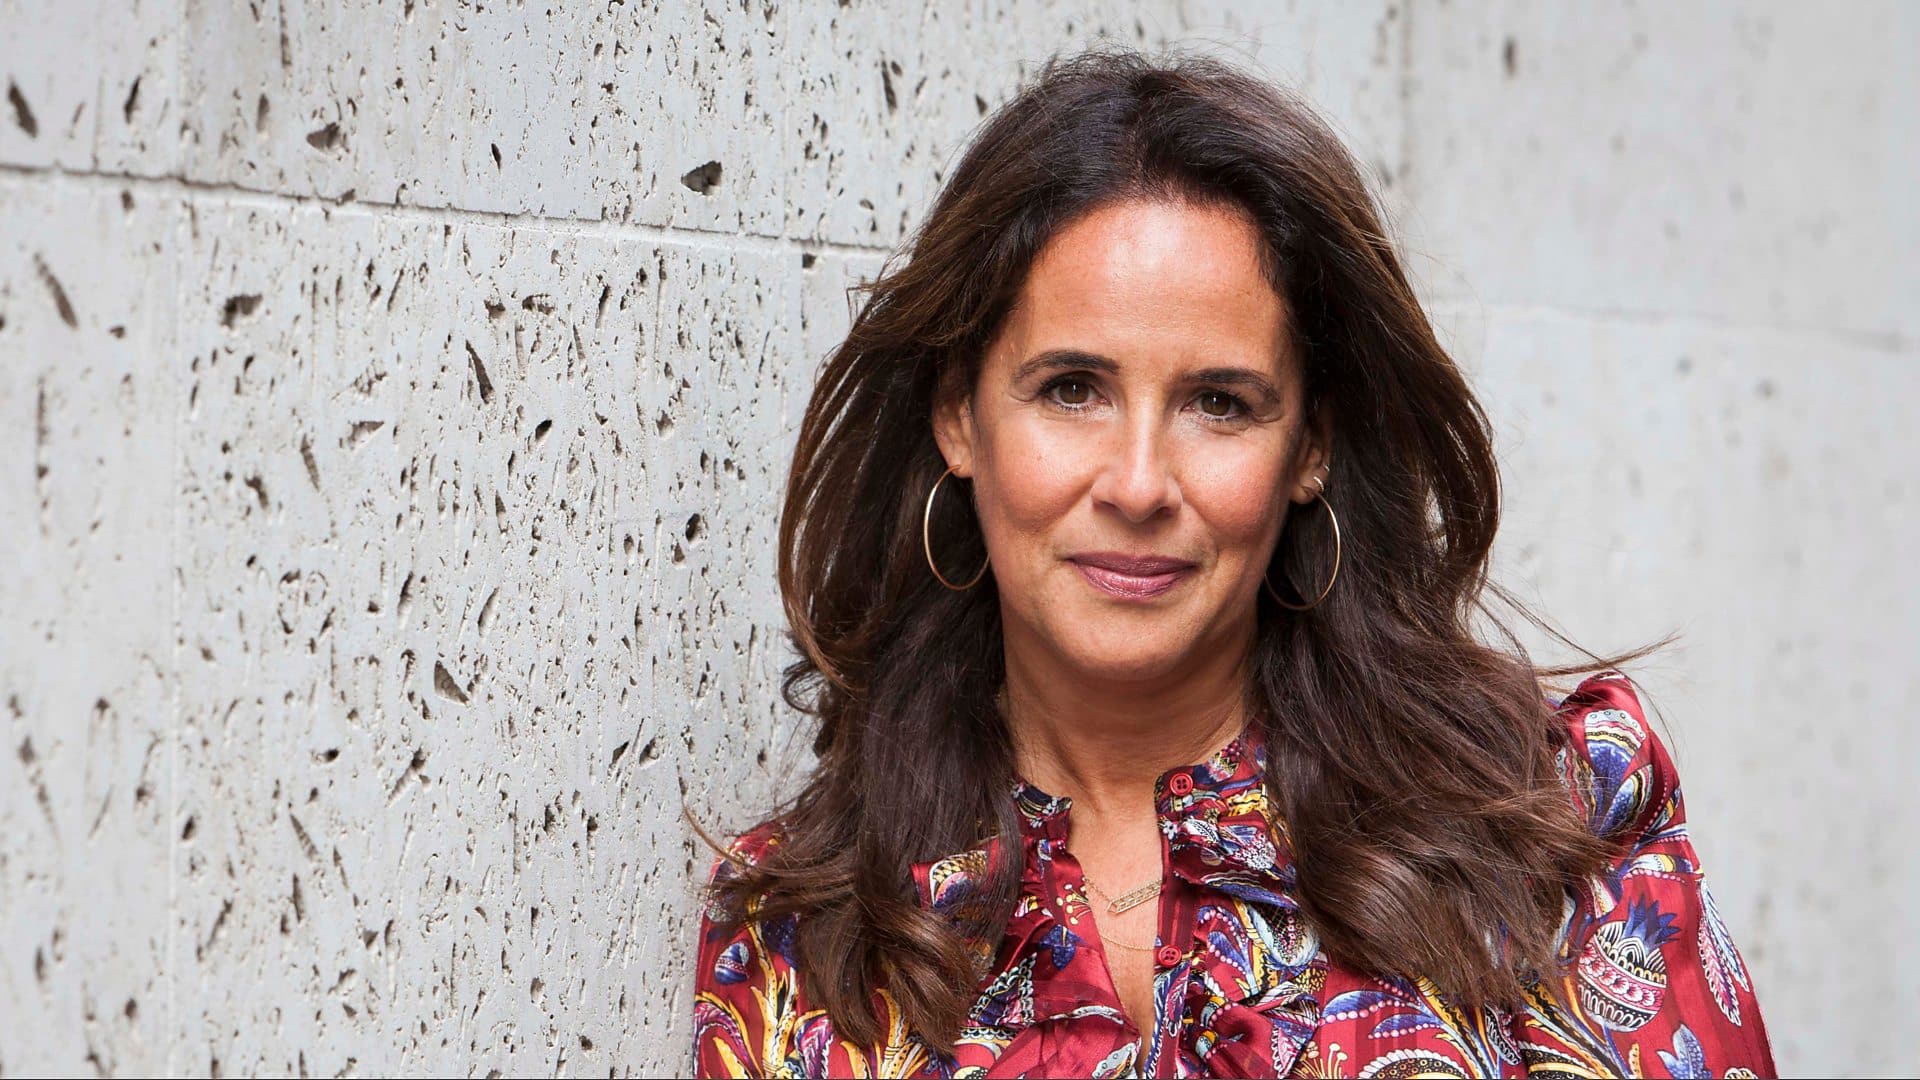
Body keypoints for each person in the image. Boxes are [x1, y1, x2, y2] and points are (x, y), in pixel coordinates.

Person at [690, 45, 1776, 1078]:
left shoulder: (1556, 824)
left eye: (1220, 403)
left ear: (1308, 446)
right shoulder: (808, 941)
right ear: (958, 418)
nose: (1139, 482)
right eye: (1072, 388)